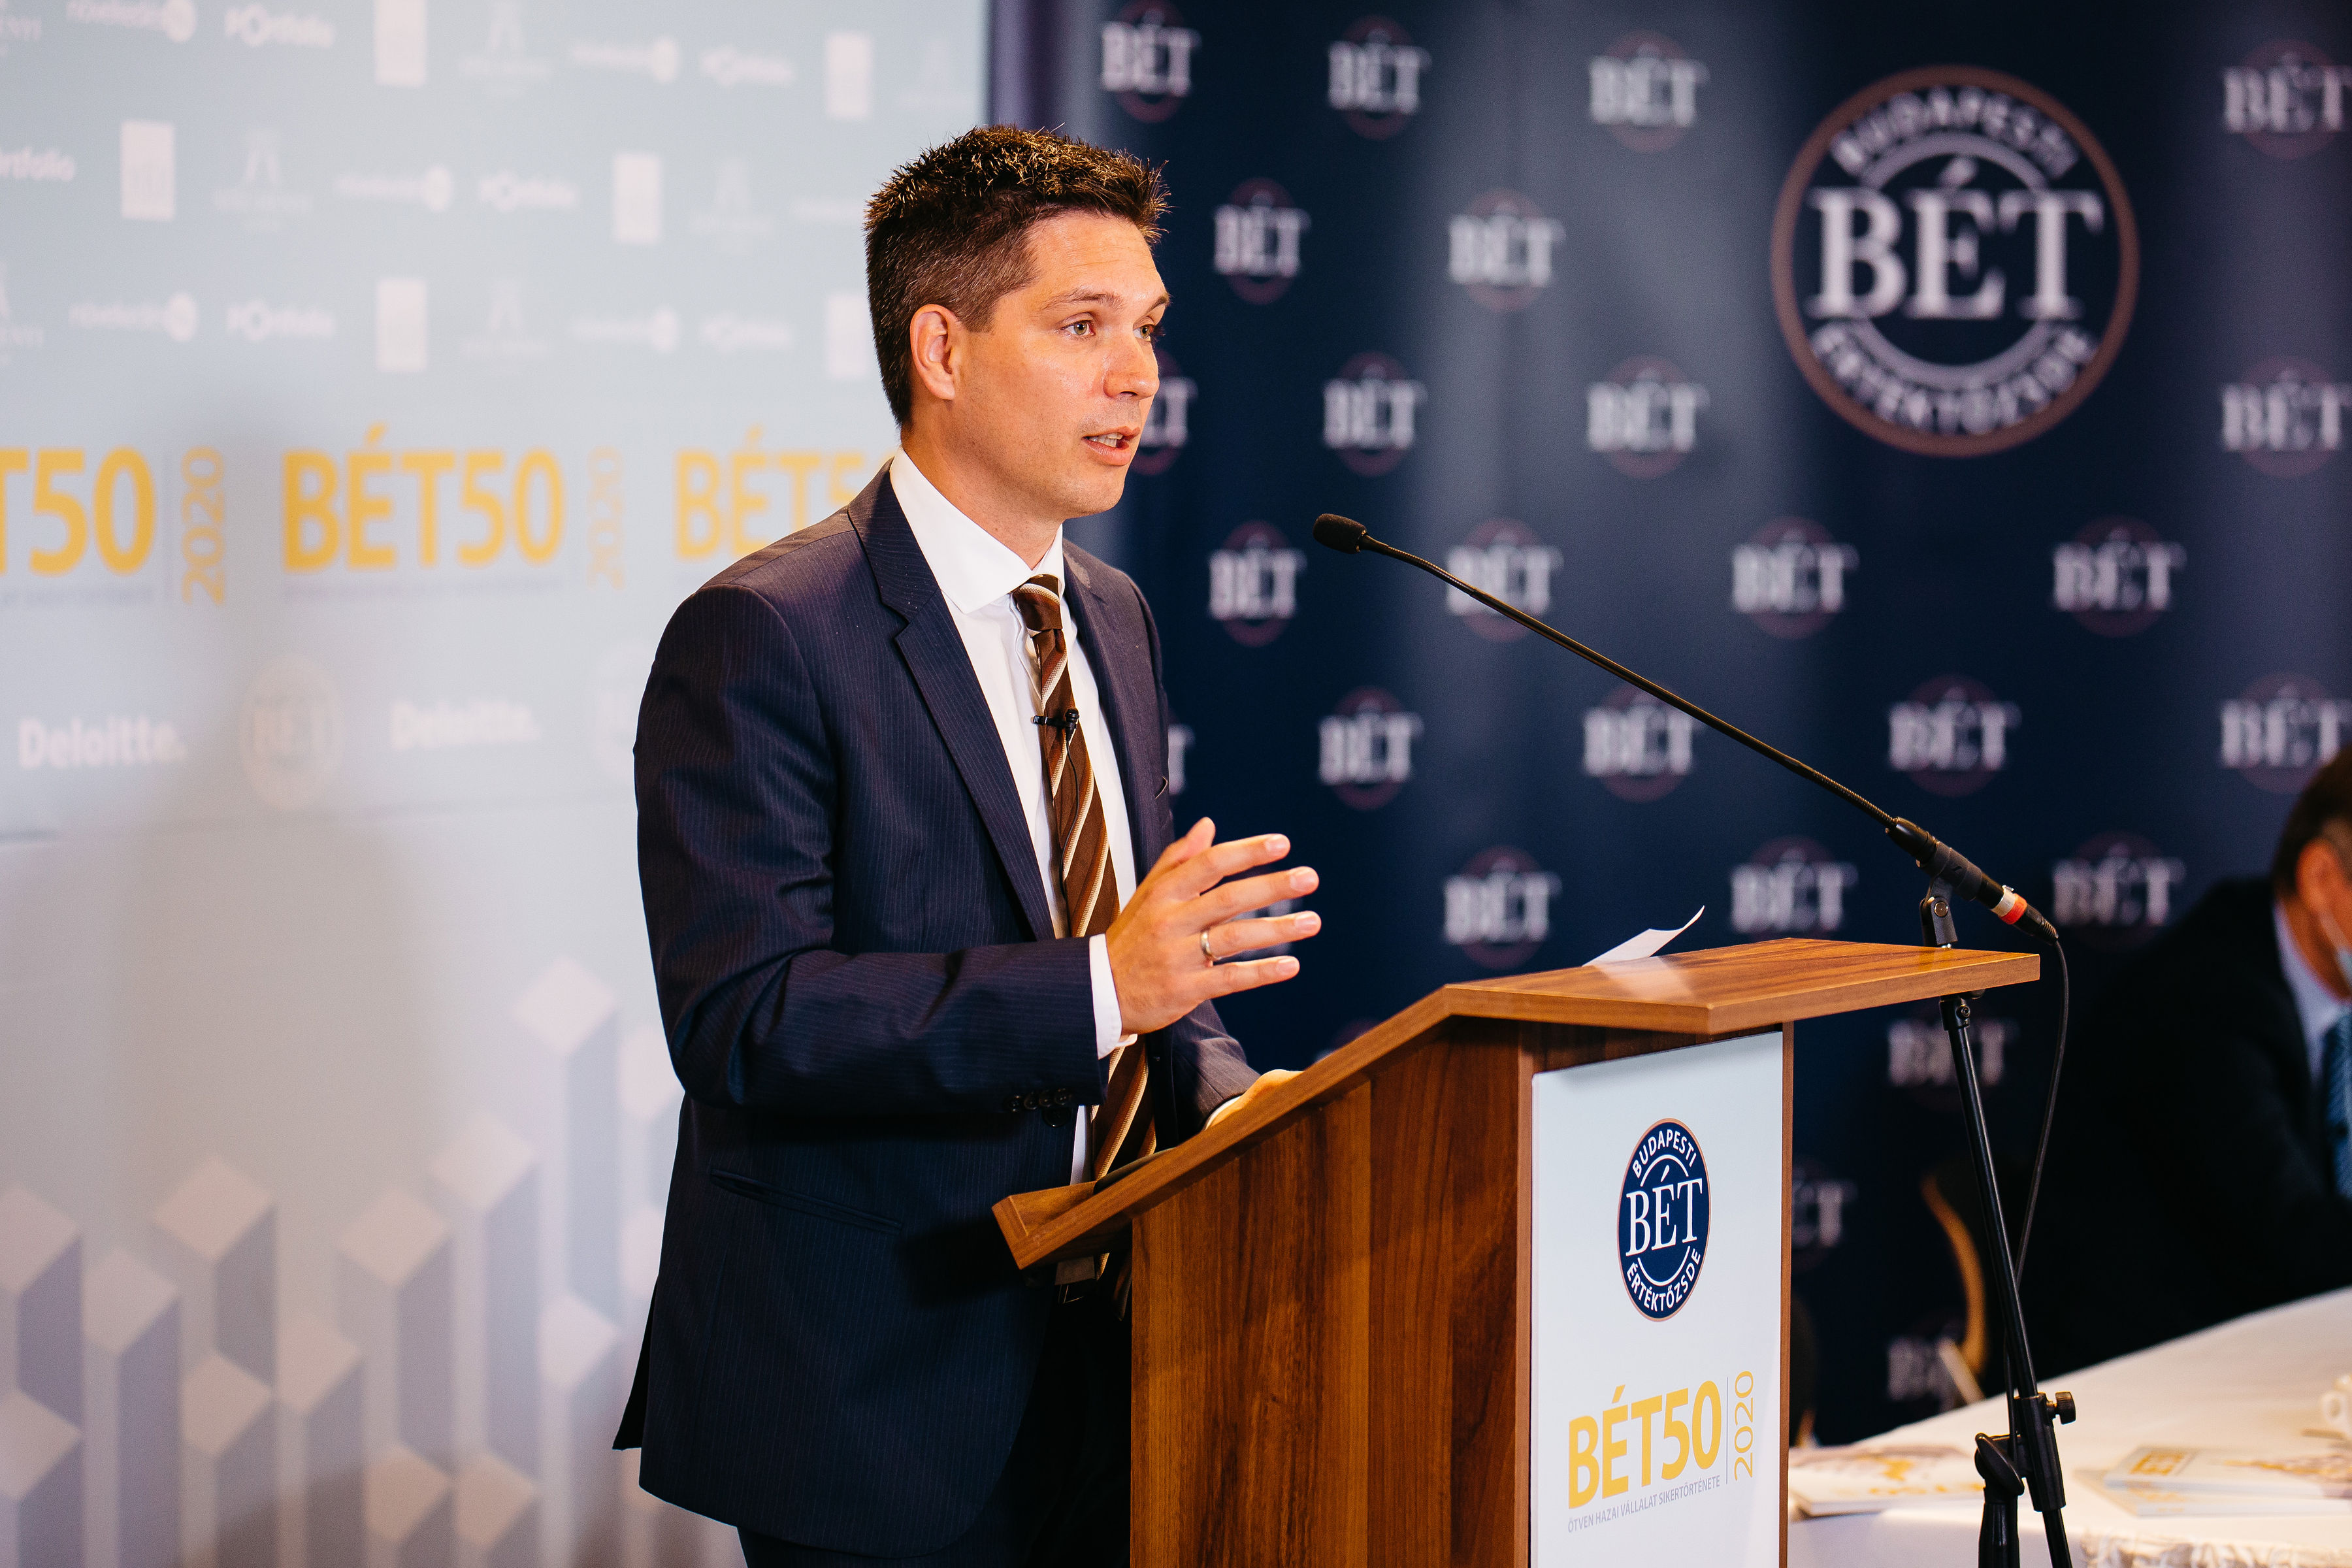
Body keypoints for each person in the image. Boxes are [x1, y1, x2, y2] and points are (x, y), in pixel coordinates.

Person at [613, 127, 1317, 1567]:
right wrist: (1106, 986)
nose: (1138, 375)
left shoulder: (1111, 613)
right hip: (884, 1393)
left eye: (1147, 329)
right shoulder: (765, 633)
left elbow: (1133, 954)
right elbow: (746, 1018)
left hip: (1134, 1354)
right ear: (941, 349)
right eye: (1082, 327)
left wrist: (1239, 1097)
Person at [2025, 747, 2352, 1373]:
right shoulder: (2207, 1001)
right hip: (2132, 1374)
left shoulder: (2301, 976)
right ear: (2320, 879)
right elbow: (2289, 1243)